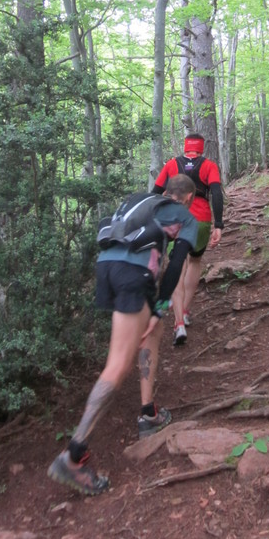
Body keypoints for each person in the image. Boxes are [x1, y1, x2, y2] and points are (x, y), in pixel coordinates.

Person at [47, 174, 198, 497]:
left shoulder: (141, 201)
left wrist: (154, 312)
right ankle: (73, 455)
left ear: (166, 191)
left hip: (107, 267)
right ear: (187, 198)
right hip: (134, 273)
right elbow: (176, 264)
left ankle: (148, 413)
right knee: (117, 366)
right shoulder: (185, 216)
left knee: (152, 331)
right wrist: (161, 305)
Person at [152, 133, 224, 345]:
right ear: (201, 148)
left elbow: (155, 192)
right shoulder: (209, 166)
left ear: (185, 147)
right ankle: (184, 311)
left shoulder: (171, 165)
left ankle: (178, 324)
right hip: (201, 221)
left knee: (177, 266)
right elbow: (217, 193)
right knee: (194, 262)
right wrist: (218, 225)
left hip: (175, 221)